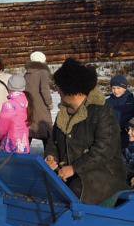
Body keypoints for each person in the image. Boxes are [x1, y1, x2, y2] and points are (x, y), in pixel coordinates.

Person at [44, 58, 127, 205]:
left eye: (60, 87)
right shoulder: (63, 113)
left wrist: (74, 168)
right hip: (68, 172)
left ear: (72, 91)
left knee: (73, 192)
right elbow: (54, 141)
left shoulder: (102, 112)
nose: (58, 91)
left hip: (102, 176)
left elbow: (104, 150)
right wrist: (51, 157)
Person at [0, 74, 30, 154]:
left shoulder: (9, 105)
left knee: (10, 165)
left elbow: (2, 127)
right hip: (23, 144)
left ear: (9, 87)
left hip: (10, 145)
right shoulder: (27, 102)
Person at [24, 51, 54, 145]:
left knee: (30, 128)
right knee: (45, 128)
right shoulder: (43, 72)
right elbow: (44, 89)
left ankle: (25, 153)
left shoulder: (27, 73)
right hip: (41, 105)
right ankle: (48, 154)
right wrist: (49, 103)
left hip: (30, 105)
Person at [105, 75, 134, 149]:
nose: (116, 91)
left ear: (125, 88)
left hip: (127, 135)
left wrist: (128, 127)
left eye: (118, 88)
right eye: (113, 88)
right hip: (110, 135)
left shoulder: (132, 102)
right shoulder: (107, 102)